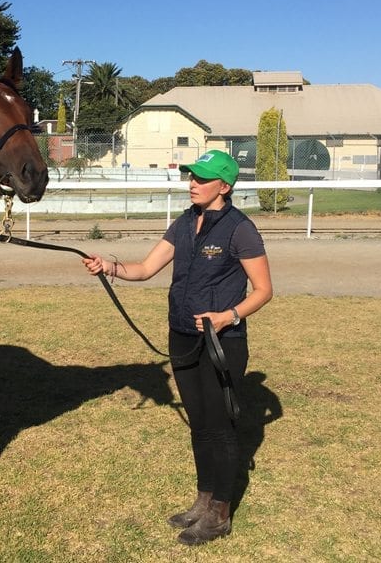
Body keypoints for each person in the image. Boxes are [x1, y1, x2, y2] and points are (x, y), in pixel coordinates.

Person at [82, 150, 272, 546]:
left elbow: (264, 290)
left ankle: (220, 513)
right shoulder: (184, 222)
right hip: (182, 336)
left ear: (225, 185)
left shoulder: (240, 229)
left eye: (201, 178)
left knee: (219, 428)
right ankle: (203, 501)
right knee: (199, 423)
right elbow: (146, 269)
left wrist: (228, 316)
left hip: (222, 341)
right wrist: (110, 267)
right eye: (191, 177)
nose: (192, 183)